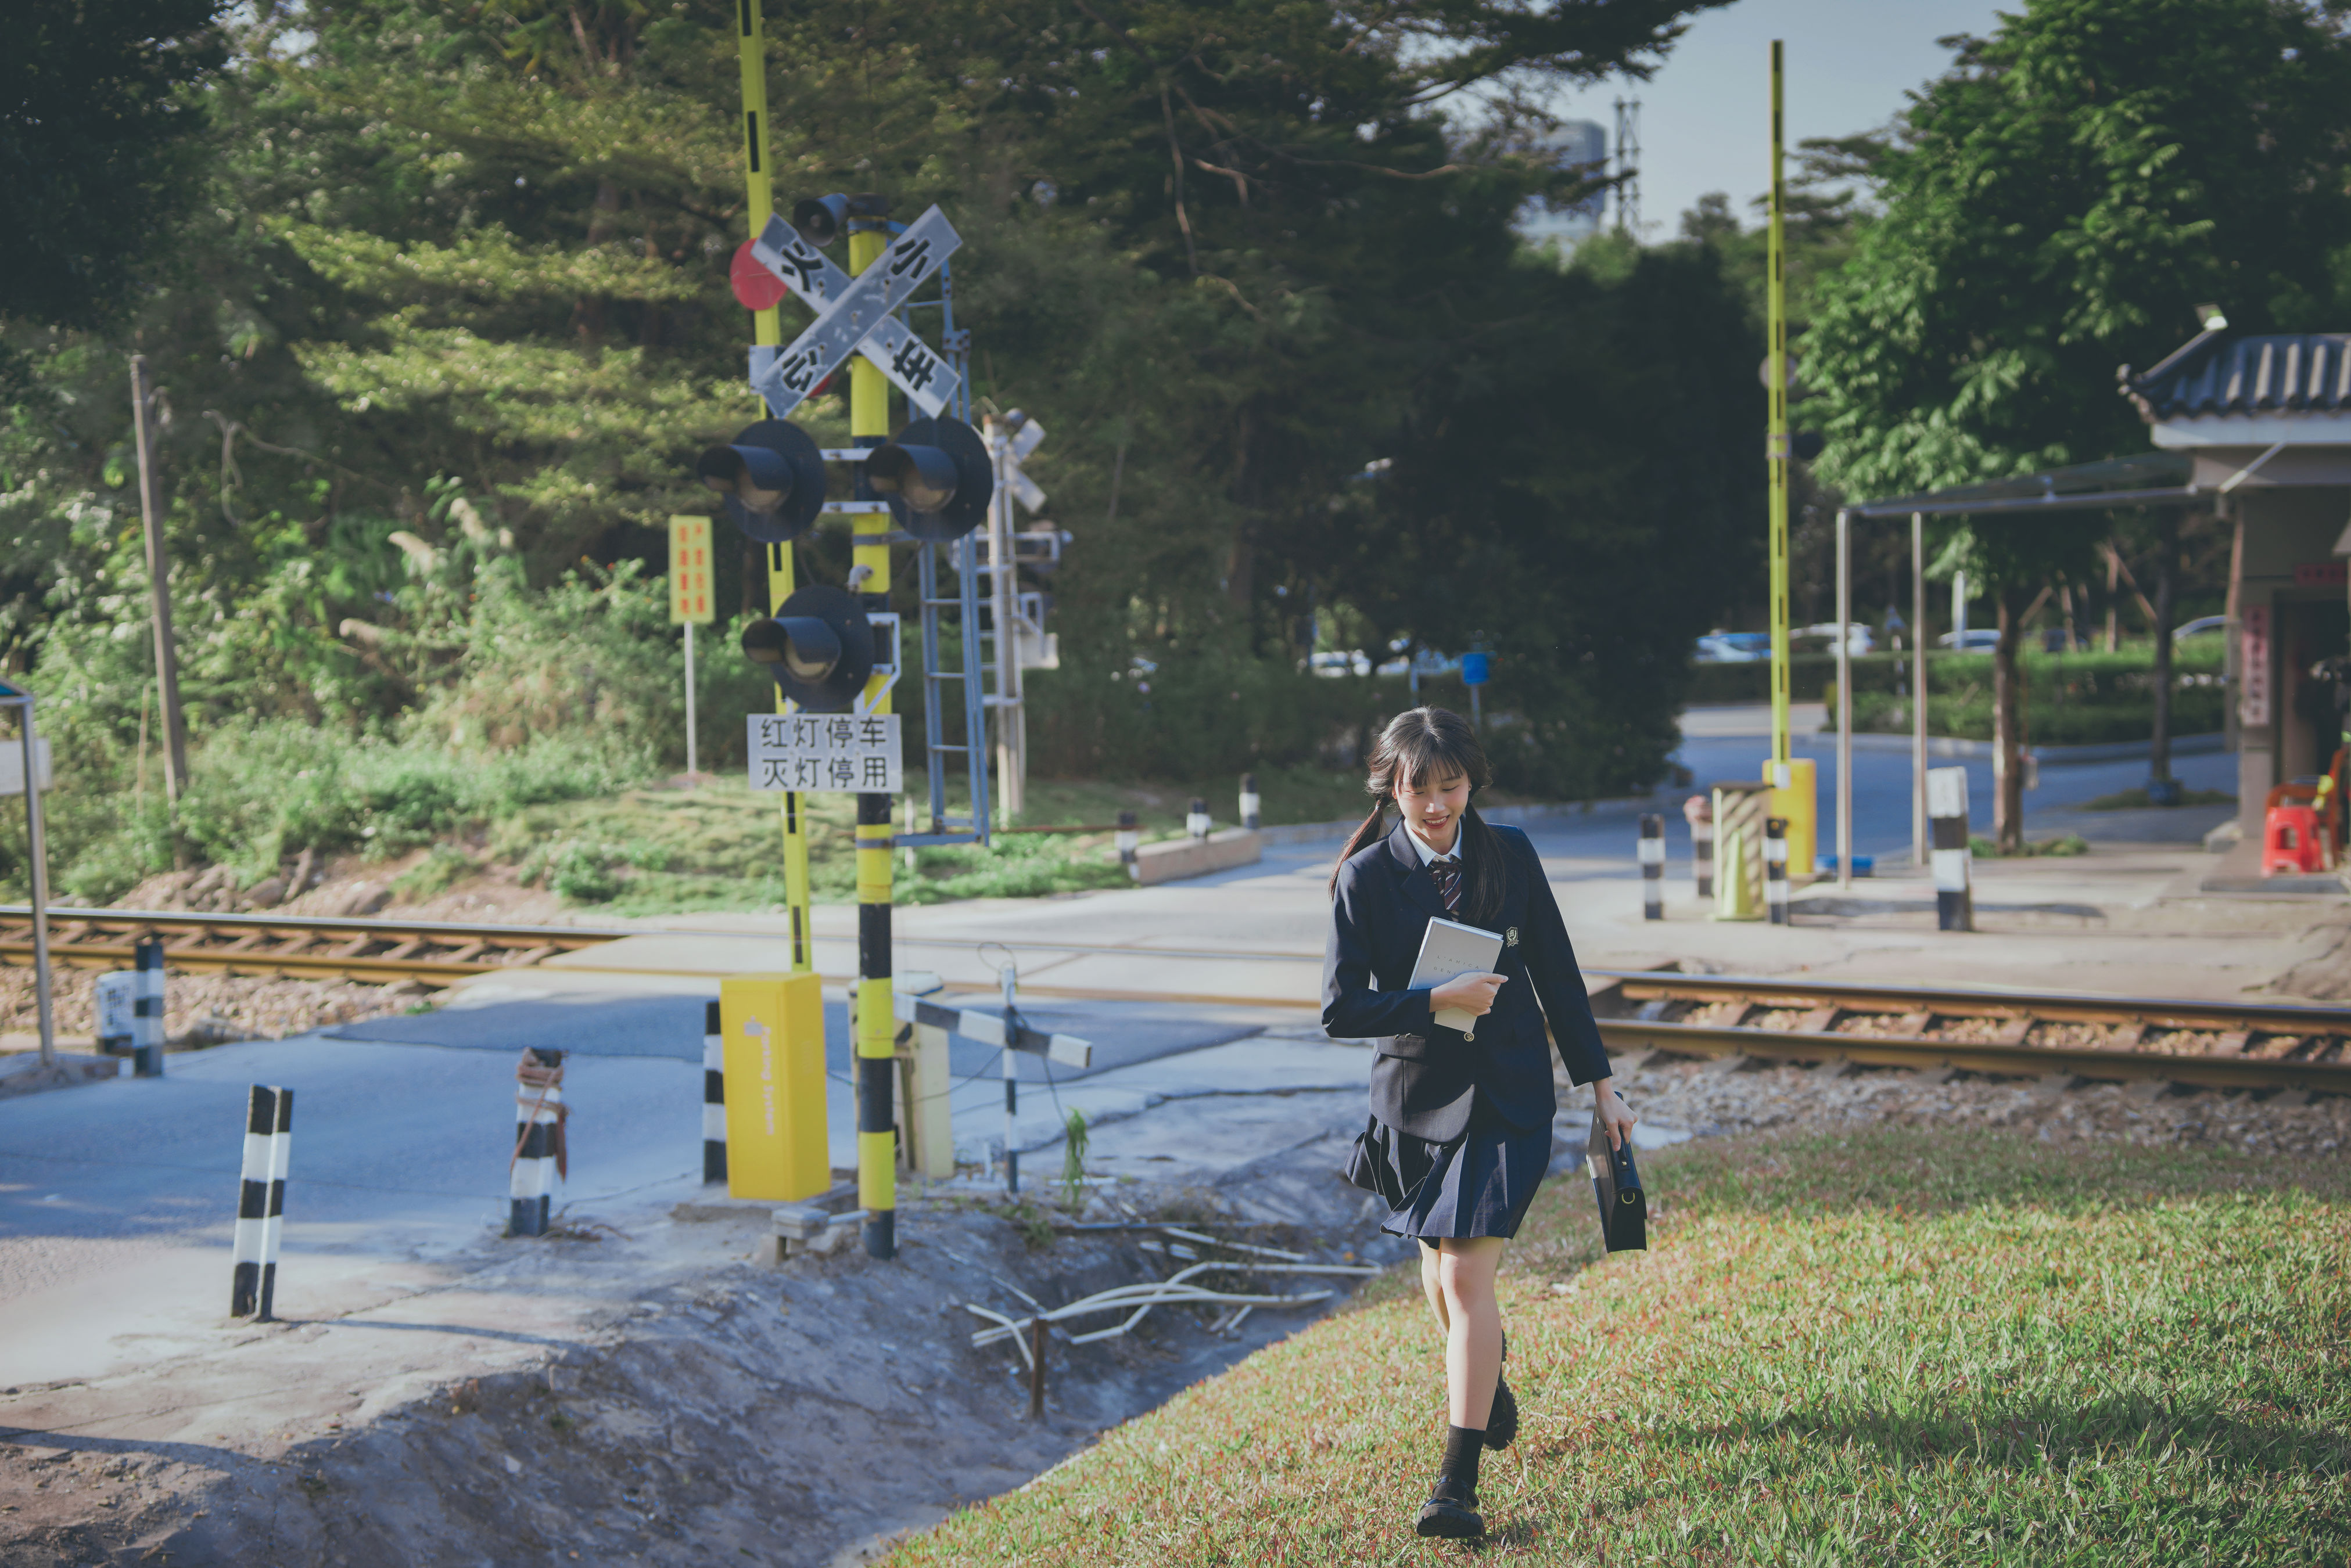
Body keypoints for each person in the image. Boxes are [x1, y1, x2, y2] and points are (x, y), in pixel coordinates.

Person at [1322, 706, 1635, 1540]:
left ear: (1471, 783)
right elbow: (1339, 1009)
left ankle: (1454, 1488)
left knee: (1464, 1279)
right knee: (1438, 1272)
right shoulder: (1364, 878)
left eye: (1450, 787)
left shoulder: (1511, 857)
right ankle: (1488, 1381)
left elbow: (1561, 978)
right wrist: (1433, 1001)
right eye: (1419, 790)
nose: (1436, 807)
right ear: (1394, 787)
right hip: (1414, 1105)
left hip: (1508, 1095)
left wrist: (1602, 1089)